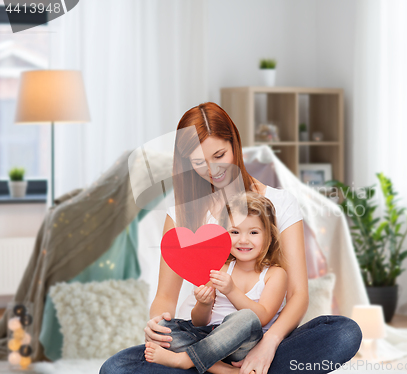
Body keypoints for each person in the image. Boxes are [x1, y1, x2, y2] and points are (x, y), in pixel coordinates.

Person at [100, 102, 362, 374]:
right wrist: (157, 325)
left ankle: (227, 367)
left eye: (219, 154)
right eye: (199, 162)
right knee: (115, 368)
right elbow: (165, 296)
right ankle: (224, 368)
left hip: (259, 337)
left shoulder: (279, 202)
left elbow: (298, 295)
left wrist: (268, 345)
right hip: (200, 336)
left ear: (234, 144)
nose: (212, 169)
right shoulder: (180, 213)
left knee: (344, 332)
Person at [144, 192, 287, 374]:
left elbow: (262, 317)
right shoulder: (221, 268)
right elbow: (199, 322)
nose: (243, 240)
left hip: (244, 345)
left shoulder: (274, 274)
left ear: (269, 236)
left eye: (253, 232)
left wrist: (231, 290)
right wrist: (204, 303)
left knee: (246, 318)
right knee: (163, 328)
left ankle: (185, 360)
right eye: (235, 232)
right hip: (209, 339)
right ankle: (226, 371)